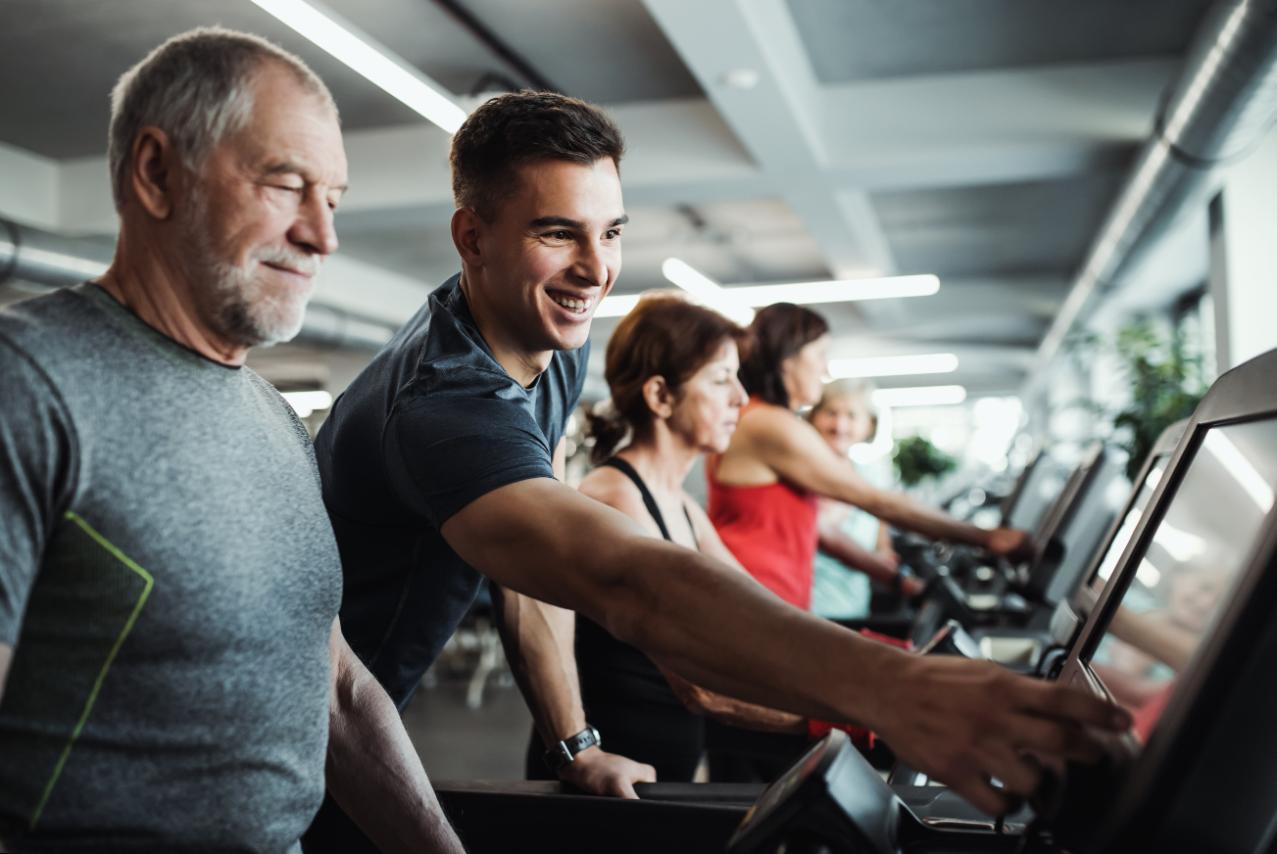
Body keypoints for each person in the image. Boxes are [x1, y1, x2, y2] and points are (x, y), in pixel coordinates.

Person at [310, 89, 1130, 844]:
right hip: (308, 717)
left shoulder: (542, 339)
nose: (596, 269)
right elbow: (624, 580)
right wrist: (893, 692)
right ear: (471, 236)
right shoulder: (445, 404)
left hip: (359, 703)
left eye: (612, 232)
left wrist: (574, 743)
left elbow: (526, 571)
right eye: (557, 232)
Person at [0, 29, 461, 853]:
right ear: (156, 173)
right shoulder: (29, 383)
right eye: (287, 185)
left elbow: (336, 692)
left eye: (336, 199)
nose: (324, 236)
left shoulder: (270, 417)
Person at [527, 292, 815, 782]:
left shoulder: (682, 505)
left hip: (665, 762)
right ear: (661, 396)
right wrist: (859, 716)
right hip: (610, 779)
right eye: (722, 380)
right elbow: (698, 685)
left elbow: (764, 614)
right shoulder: (616, 500)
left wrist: (884, 668)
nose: (741, 399)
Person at [709, 302, 1031, 611]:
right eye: (821, 354)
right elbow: (877, 501)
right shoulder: (770, 424)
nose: (826, 368)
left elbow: (832, 525)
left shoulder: (762, 420)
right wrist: (985, 538)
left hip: (764, 599)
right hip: (754, 600)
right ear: (788, 358)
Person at [806, 380, 924, 620]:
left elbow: (882, 543)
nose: (840, 425)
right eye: (831, 413)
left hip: (854, 608)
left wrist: (886, 555)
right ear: (814, 418)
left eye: (851, 416)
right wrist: (899, 579)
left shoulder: (871, 480)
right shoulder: (804, 475)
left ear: (868, 425)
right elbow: (824, 535)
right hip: (808, 610)